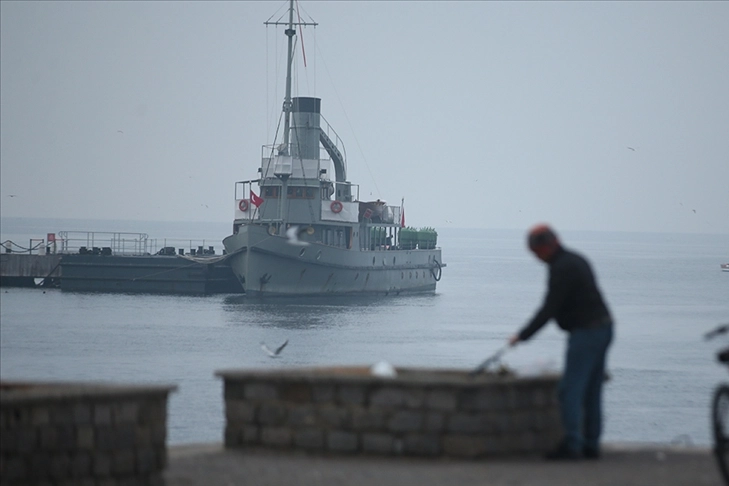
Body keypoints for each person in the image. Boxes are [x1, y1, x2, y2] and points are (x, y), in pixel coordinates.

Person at [509, 224, 613, 460]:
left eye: (536, 253)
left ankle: (572, 445)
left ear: (544, 248)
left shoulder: (561, 268)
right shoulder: (576, 260)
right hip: (604, 328)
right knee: (592, 391)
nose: (537, 259)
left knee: (570, 390)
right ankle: (591, 445)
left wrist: (522, 336)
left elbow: (549, 308)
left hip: (586, 332)